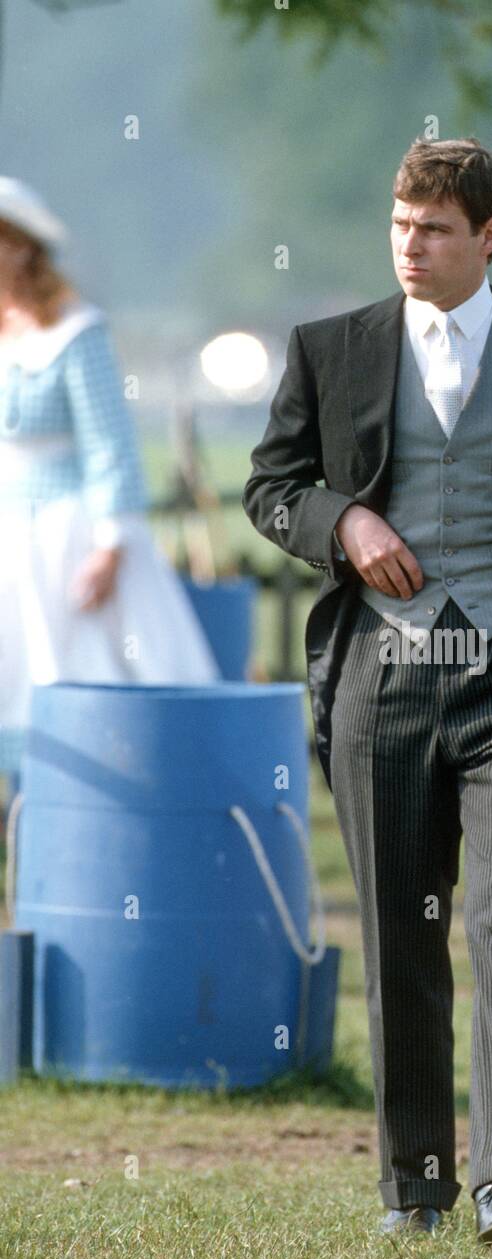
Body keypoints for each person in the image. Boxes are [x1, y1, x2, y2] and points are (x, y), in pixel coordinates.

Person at [244, 137, 492, 1245]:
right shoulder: (331, 347)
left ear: (488, 235)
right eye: (397, 223)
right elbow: (270, 489)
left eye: (431, 227)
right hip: (385, 668)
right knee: (400, 935)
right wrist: (348, 521)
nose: (408, 245)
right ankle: (413, 1189)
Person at [0, 176, 220, 796]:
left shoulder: (75, 332)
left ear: (19, 246)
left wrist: (110, 544)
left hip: (64, 530)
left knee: (77, 673)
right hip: (5, 529)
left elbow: (109, 445)